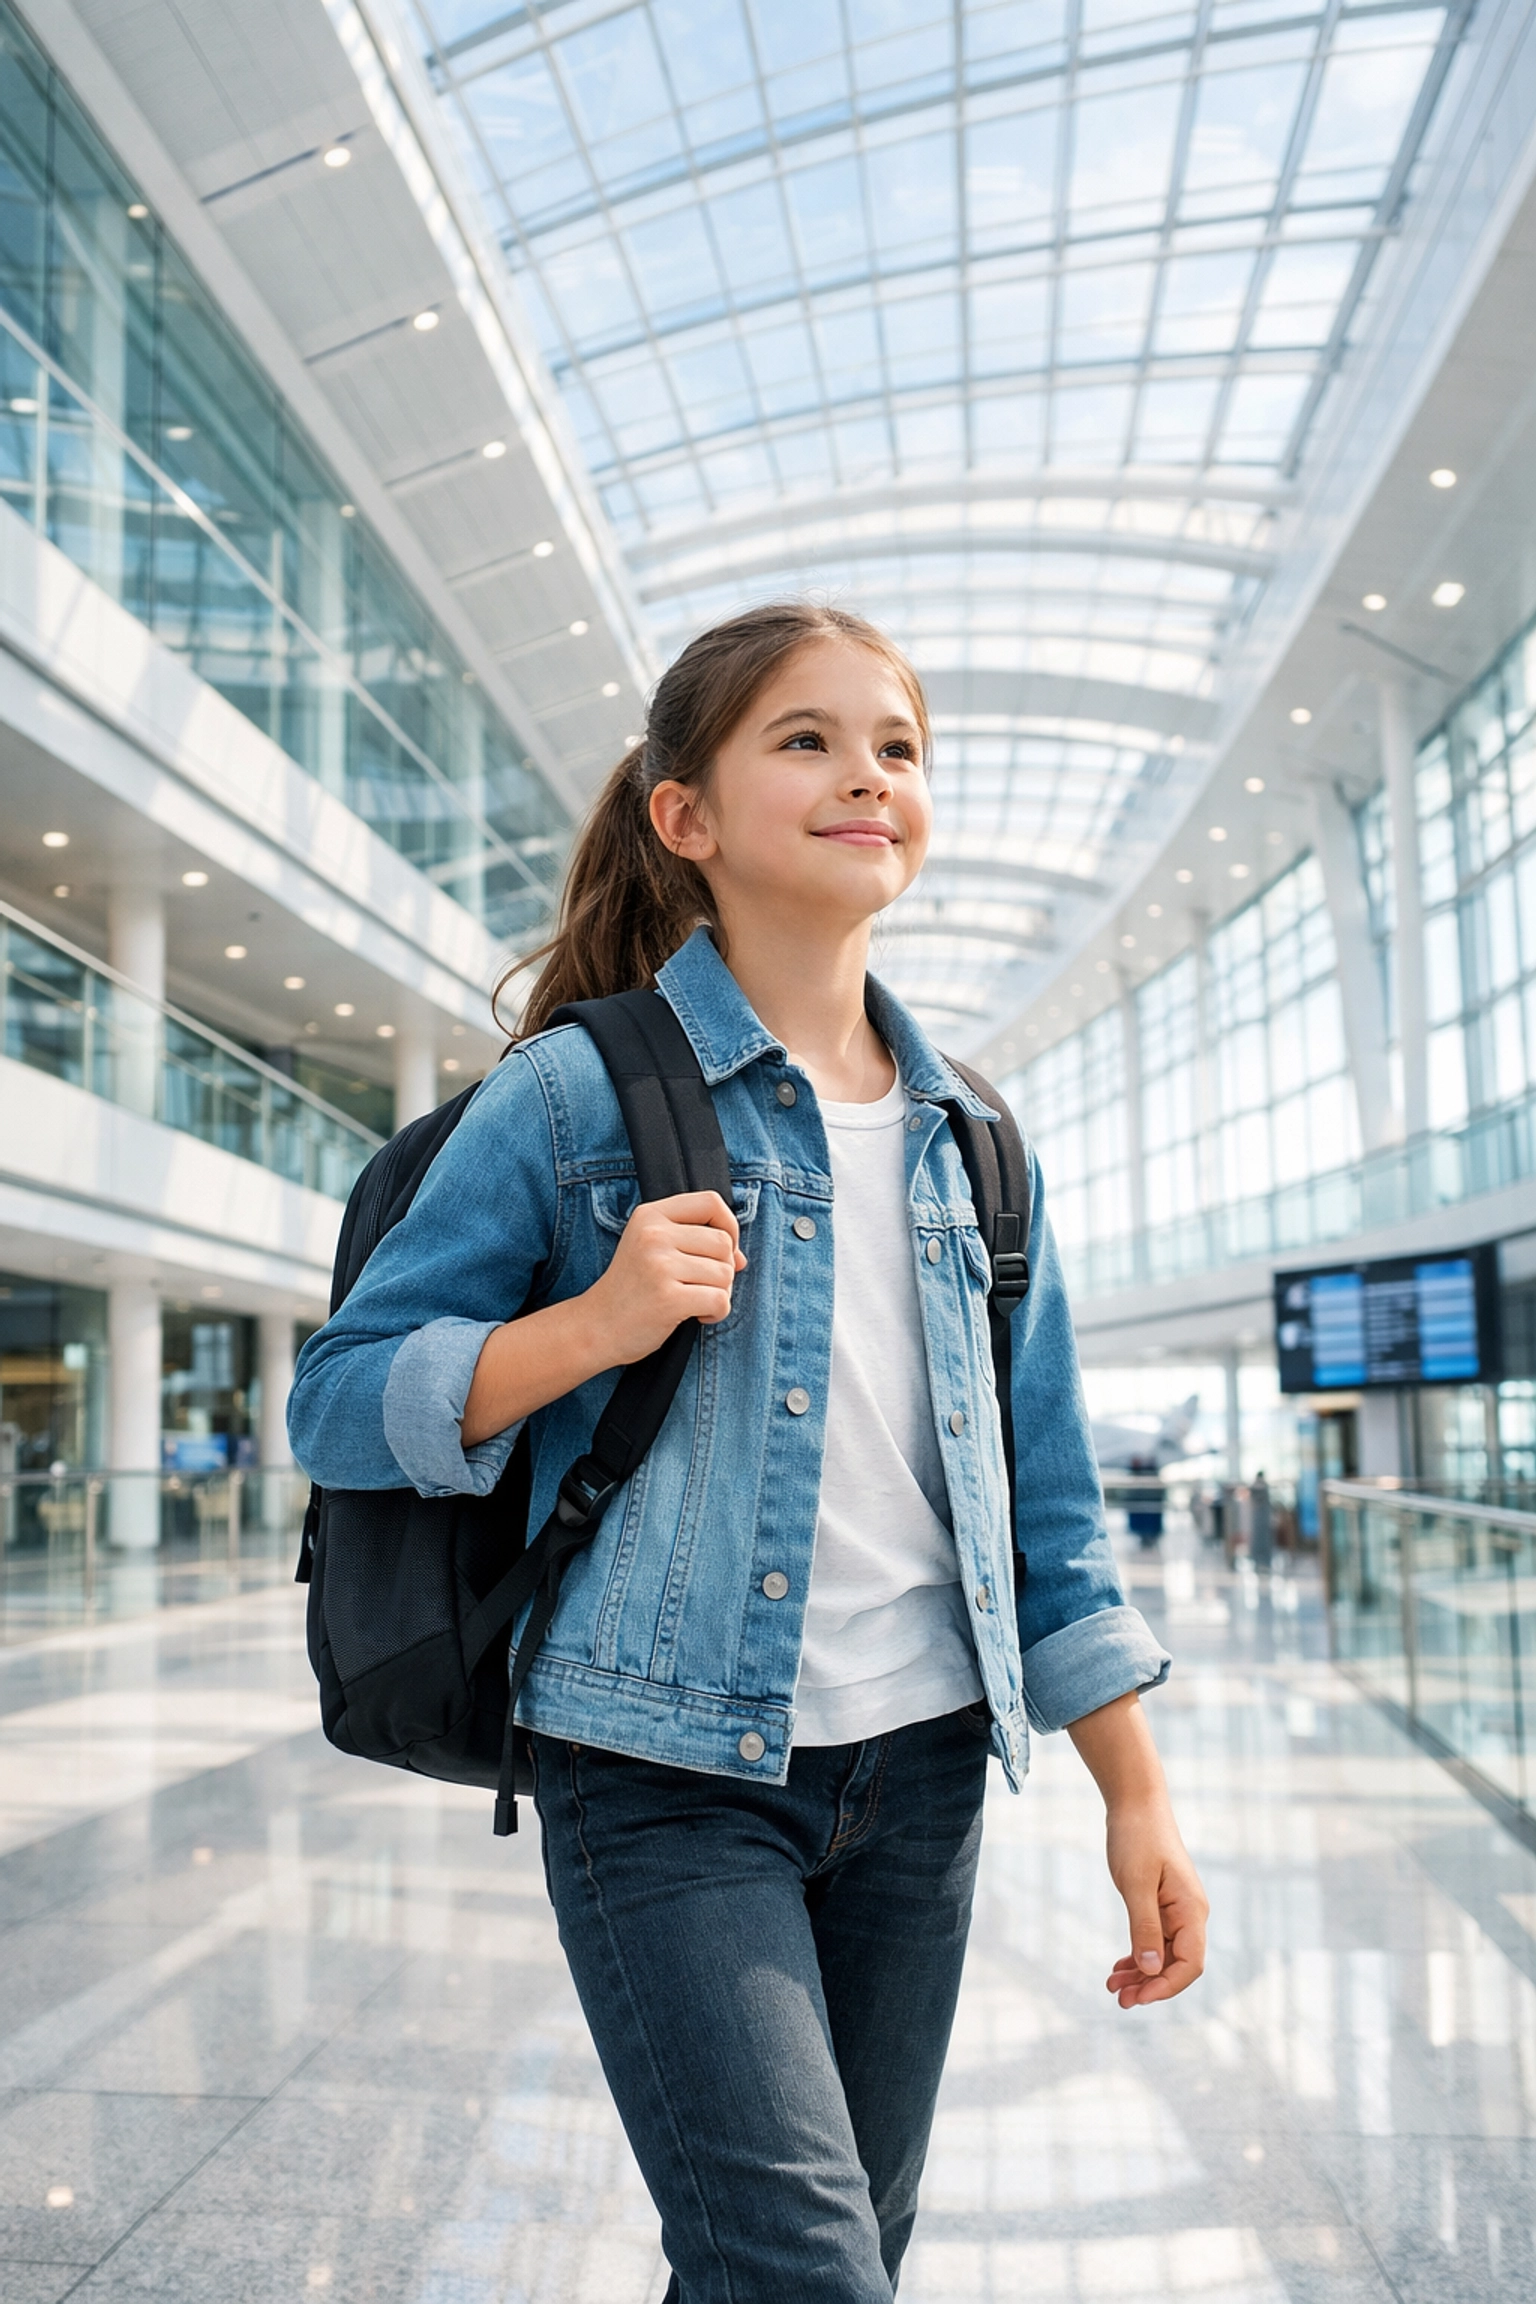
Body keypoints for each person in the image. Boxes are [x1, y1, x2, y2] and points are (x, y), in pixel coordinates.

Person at [289, 603, 1208, 2303]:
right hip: (662, 1771)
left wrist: (1133, 1793)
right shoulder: (578, 1095)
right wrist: (587, 1326)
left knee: (826, 2256)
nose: (868, 774)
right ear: (684, 816)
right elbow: (338, 1397)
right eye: (808, 739)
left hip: (923, 1776)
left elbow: (1049, 1505)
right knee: (801, 2272)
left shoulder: (975, 1142)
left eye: (898, 747)